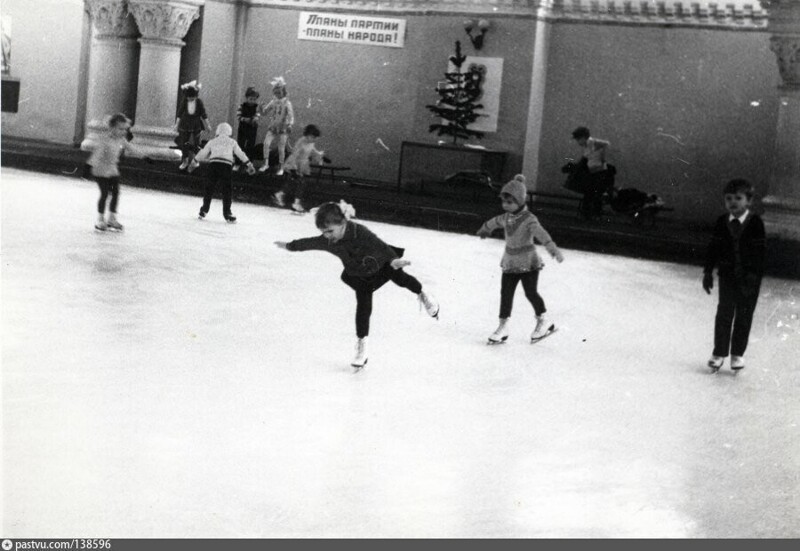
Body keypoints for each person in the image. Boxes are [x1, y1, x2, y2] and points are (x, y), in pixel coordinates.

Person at [274, 201, 440, 369]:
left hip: (381, 264)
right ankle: (362, 345)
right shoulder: (328, 240)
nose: (327, 236)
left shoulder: (359, 232)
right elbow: (309, 243)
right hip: (360, 274)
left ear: (343, 223)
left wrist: (393, 260)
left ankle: (423, 293)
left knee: (400, 278)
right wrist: (289, 246)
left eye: (330, 231)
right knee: (363, 304)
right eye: (323, 232)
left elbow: (380, 246)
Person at [477, 174, 564, 344]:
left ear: (520, 201)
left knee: (530, 292)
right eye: (504, 202)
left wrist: (552, 248)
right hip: (510, 263)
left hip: (528, 263)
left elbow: (541, 234)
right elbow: (494, 222)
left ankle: (544, 321)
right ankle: (503, 326)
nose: (505, 205)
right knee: (506, 294)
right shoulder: (506, 217)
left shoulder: (529, 219)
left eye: (510, 202)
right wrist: (485, 229)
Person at [703, 178, 766, 372]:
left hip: (749, 279)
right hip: (727, 277)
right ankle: (719, 353)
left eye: (738, 198)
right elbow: (713, 248)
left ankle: (737, 353)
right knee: (724, 314)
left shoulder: (755, 222)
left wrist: (754, 275)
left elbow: (760, 253)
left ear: (749, 201)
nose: (733, 202)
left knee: (744, 316)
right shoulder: (722, 222)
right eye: (729, 198)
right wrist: (708, 272)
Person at [193, 122, 255, 223]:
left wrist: (195, 160)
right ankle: (227, 213)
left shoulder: (213, 141)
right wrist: (249, 164)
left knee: (209, 188)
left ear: (218, 131)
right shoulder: (232, 142)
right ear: (229, 132)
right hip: (226, 166)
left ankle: (204, 210)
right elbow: (240, 153)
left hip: (213, 165)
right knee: (227, 190)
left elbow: (203, 152)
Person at [86, 113, 137, 231]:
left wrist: (145, 157)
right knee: (104, 193)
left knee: (115, 193)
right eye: (121, 129)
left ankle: (112, 218)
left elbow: (131, 148)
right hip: (100, 170)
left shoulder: (121, 139)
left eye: (125, 129)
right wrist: (88, 166)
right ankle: (100, 219)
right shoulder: (104, 139)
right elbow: (96, 155)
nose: (124, 131)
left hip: (112, 169)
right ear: (112, 128)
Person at [272, 124, 325, 213]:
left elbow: (312, 150)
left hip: (303, 164)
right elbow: (295, 154)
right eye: (313, 137)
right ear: (308, 135)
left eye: (315, 138)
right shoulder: (301, 142)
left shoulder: (311, 142)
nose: (314, 139)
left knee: (294, 182)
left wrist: (318, 155)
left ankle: (281, 194)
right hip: (295, 164)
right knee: (300, 183)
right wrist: (294, 168)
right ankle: (295, 202)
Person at [570, 126, 614, 220]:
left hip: (598, 173)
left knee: (593, 194)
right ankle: (592, 215)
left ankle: (592, 215)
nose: (578, 142)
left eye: (578, 139)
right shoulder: (588, 145)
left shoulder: (591, 143)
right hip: (595, 172)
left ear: (583, 137)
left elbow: (605, 144)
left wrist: (602, 158)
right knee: (592, 195)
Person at [258, 76, 294, 175]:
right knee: (266, 143)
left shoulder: (287, 103)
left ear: (284, 92)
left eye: (279, 92)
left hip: (283, 128)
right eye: (276, 93)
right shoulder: (273, 102)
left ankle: (281, 166)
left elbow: (291, 116)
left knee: (281, 147)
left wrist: (290, 124)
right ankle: (266, 163)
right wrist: (261, 109)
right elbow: (264, 112)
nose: (278, 95)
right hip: (273, 126)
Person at [174, 80, 210, 173]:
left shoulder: (199, 102)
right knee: (184, 142)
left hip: (196, 124)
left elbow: (203, 114)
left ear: (196, 96)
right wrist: (176, 124)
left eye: (193, 97)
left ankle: (195, 160)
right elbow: (180, 113)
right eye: (189, 97)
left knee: (196, 143)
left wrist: (208, 125)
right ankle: (185, 160)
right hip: (185, 124)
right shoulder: (185, 101)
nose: (191, 99)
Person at [233, 86, 261, 172]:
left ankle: (248, 164)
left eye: (254, 99)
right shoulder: (242, 106)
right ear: (246, 98)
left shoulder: (257, 107)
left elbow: (258, 115)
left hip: (252, 129)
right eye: (250, 99)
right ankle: (237, 163)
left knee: (250, 147)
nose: (252, 101)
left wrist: (255, 119)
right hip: (243, 129)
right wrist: (245, 119)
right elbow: (238, 116)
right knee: (240, 146)